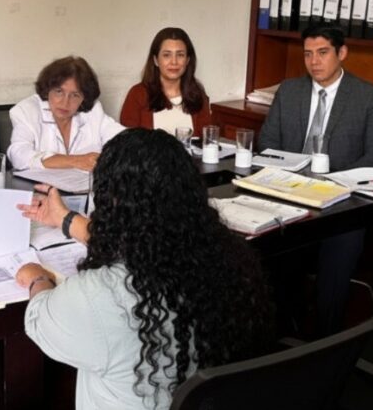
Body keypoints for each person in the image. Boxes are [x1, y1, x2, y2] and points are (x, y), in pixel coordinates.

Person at [15, 128, 271, 409]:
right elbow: (135, 243)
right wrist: (65, 218)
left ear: (110, 203)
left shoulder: (101, 295)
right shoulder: (227, 259)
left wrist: (37, 278)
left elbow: (39, 319)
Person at [257, 23, 373, 337]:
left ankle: (325, 339)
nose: (314, 61)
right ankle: (277, 332)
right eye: (308, 54)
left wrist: (332, 186)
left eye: (322, 53)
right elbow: (267, 143)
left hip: (341, 203)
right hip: (288, 194)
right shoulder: (289, 91)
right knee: (263, 244)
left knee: (342, 243)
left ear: (342, 53)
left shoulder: (369, 97)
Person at [7, 56, 125, 171]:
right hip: (40, 184)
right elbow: (18, 155)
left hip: (86, 183)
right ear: (47, 90)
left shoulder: (93, 111)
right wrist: (75, 160)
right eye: (59, 91)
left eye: (75, 95)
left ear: (84, 98)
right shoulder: (26, 110)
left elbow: (126, 141)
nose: (65, 102)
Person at [120, 27, 212, 135]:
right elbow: (127, 141)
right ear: (155, 60)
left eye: (180, 55)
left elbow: (206, 140)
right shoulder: (137, 94)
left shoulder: (198, 95)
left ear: (187, 60)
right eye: (166, 55)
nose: (174, 62)